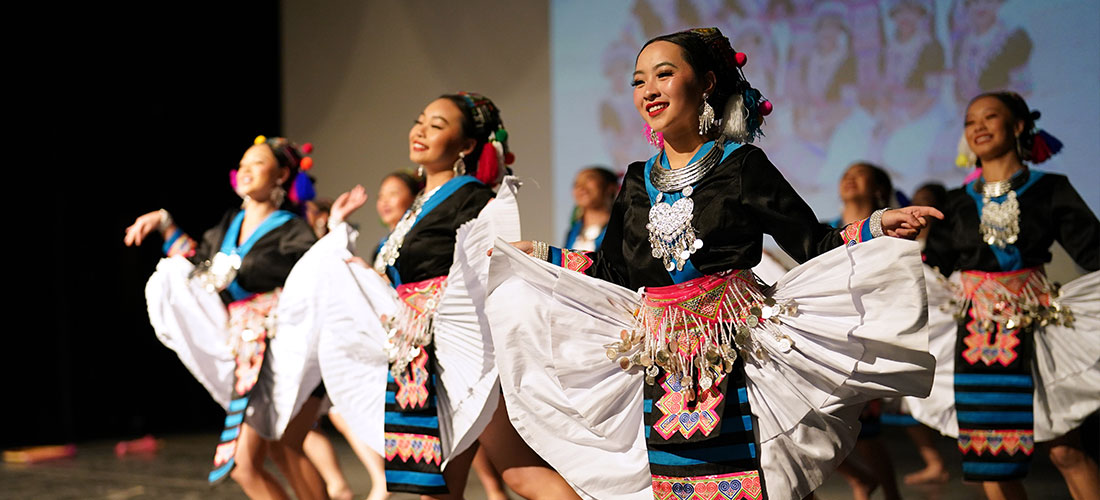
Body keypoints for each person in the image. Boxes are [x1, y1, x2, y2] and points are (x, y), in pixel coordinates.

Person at [484, 27, 942, 499]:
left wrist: (877, 225)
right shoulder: (639, 180)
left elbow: (813, 241)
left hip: (738, 352)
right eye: (639, 81)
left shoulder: (742, 165)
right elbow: (613, 271)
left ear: (705, 84)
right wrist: (537, 255)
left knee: (747, 481)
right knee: (676, 484)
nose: (649, 90)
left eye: (664, 74)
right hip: (661, 361)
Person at [312, 92, 576, 499]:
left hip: (463, 352)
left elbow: (485, 270)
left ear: (467, 145)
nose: (420, 130)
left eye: (437, 125)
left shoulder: (472, 198)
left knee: (516, 473)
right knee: (444, 486)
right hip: (425, 352)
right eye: (420, 121)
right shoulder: (422, 202)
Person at [915, 91, 1100, 500]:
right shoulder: (955, 201)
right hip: (974, 336)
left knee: (1066, 451)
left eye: (990, 117)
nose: (978, 127)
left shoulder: (1050, 189)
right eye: (970, 121)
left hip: (1037, 330)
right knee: (989, 458)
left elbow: (1093, 250)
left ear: (1018, 126)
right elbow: (937, 263)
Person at [125, 136, 332, 500]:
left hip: (285, 349)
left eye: (258, 163)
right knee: (265, 458)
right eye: (244, 163)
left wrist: (253, 284)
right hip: (248, 353)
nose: (246, 170)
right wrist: (164, 223)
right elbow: (198, 265)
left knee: (268, 453)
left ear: (282, 174)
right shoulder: (229, 225)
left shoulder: (291, 229)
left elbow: (311, 277)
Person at [564, 166, 618, 251]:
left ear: (610, 188)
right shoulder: (572, 233)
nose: (580, 187)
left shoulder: (620, 230)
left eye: (589, 179)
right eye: (576, 184)